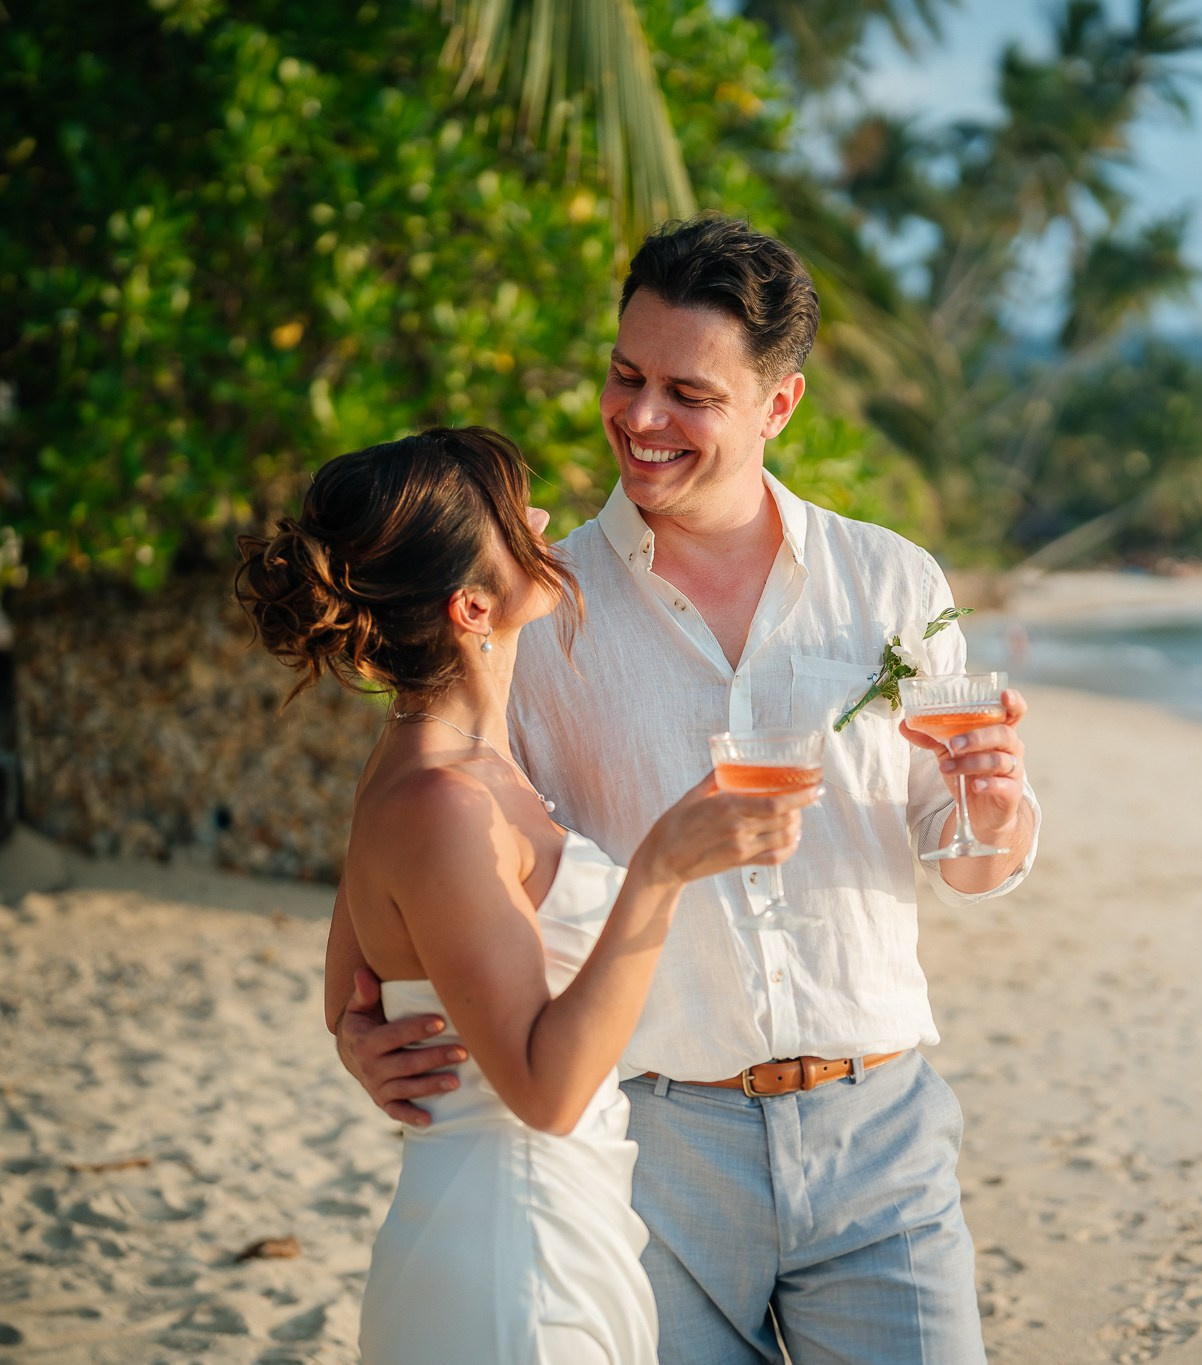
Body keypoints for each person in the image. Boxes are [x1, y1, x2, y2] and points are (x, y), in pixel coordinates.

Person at [332, 217, 1040, 1362]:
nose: (640, 419)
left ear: (779, 405)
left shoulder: (889, 579)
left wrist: (994, 815)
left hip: (880, 1136)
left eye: (686, 393)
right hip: (650, 1148)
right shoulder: (540, 602)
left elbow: (959, 856)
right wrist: (356, 1018)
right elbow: (417, 793)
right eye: (625, 376)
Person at [239, 427, 816, 1364]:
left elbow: (349, 994)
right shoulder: (441, 798)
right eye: (516, 518)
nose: (545, 520)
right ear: (472, 606)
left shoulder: (426, 757)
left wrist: (358, 1042)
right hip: (516, 1254)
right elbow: (546, 1092)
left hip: (545, 1224)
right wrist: (661, 871)